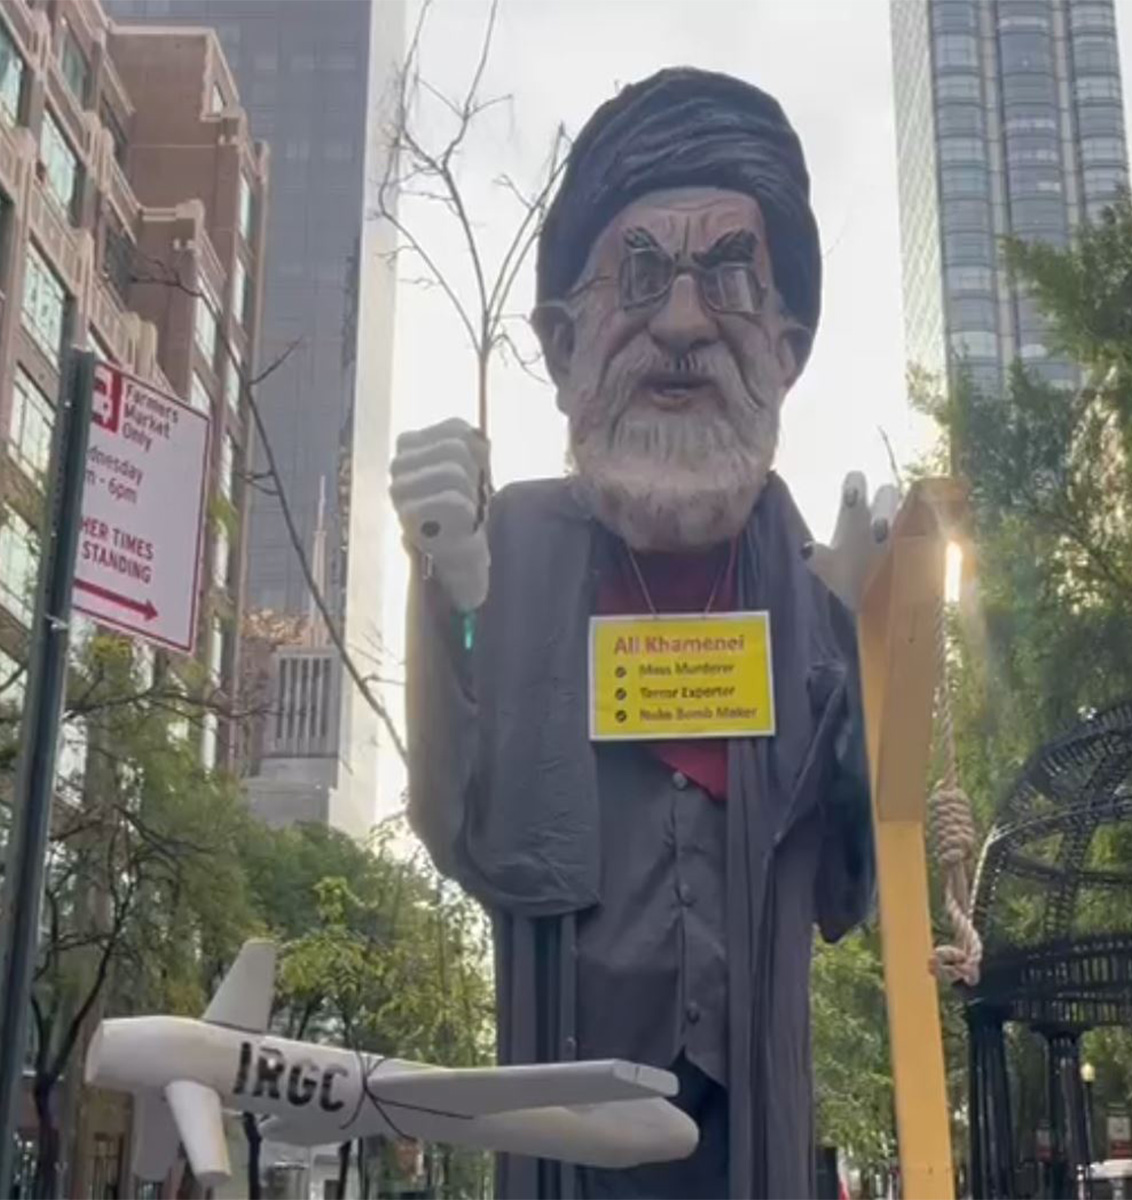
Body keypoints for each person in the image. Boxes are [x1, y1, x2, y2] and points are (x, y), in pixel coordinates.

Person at [391, 66, 895, 1199]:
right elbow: (455, 825)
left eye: (727, 278)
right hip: (570, 1095)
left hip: (746, 1114)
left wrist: (871, 650)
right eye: (641, 275)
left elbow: (846, 891)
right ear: (565, 343)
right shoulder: (504, 546)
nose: (680, 324)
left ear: (788, 345)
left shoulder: (812, 580)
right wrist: (448, 584)